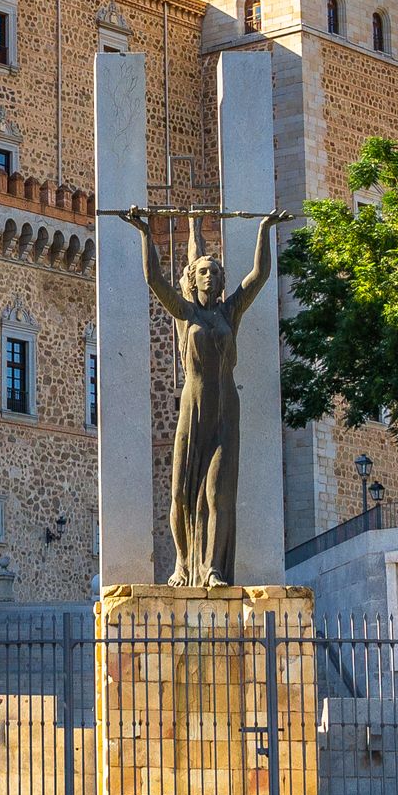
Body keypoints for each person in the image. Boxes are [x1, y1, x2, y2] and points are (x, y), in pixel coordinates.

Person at [124, 208, 287, 587]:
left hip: (226, 410)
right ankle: (183, 562)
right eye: (203, 271)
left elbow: (259, 275)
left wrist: (264, 230)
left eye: (215, 271)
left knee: (218, 493)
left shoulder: (231, 312)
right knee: (180, 493)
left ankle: (212, 568)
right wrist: (146, 233)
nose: (210, 275)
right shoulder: (185, 311)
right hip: (192, 408)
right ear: (193, 279)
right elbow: (154, 279)